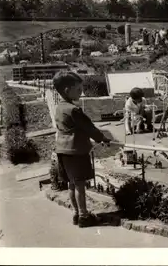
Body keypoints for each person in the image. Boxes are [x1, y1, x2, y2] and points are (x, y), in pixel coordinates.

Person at [53, 71, 111, 228]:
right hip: (76, 151)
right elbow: (89, 128)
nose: (81, 92)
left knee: (72, 184)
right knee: (80, 185)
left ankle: (76, 213)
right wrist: (103, 138)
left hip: (63, 150)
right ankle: (84, 217)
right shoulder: (74, 110)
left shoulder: (59, 107)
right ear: (67, 90)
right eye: (78, 90)